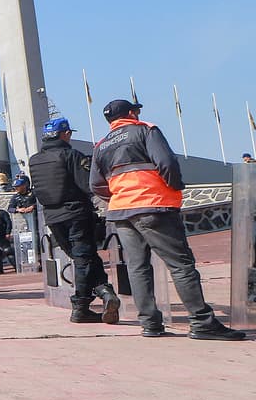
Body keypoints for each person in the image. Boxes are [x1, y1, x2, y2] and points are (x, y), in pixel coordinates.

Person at [91, 100, 245, 340]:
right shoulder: (145, 129)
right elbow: (167, 163)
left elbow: (96, 184)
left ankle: (150, 324)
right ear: (131, 113)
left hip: (121, 212)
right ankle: (202, 321)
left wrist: (122, 195)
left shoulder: (100, 146)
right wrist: (173, 186)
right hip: (153, 206)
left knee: (137, 267)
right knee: (181, 265)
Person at [28, 117, 121, 324]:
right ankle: (80, 306)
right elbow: (88, 184)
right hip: (76, 213)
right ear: (65, 134)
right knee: (84, 258)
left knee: (85, 259)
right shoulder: (70, 155)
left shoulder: (35, 160)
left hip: (52, 217)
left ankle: (105, 293)